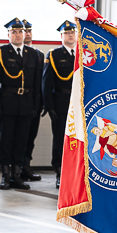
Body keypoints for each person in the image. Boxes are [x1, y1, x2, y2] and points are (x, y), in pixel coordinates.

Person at [0, 18, 42, 190]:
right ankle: (5, 176)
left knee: (21, 141)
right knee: (6, 141)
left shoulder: (32, 54)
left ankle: (17, 175)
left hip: (26, 104)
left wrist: (36, 106)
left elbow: (36, 84)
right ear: (8, 34)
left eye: (21, 32)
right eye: (14, 32)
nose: (18, 35)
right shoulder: (1, 52)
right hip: (8, 104)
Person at [42, 21, 77, 189]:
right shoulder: (54, 55)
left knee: (77, 141)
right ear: (61, 36)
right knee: (60, 141)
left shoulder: (83, 54)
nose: (70, 35)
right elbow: (46, 83)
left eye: (72, 32)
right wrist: (49, 106)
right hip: (61, 104)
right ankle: (59, 172)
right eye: (67, 33)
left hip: (79, 105)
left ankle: (75, 173)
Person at [20, 19, 44, 182]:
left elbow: (41, 82)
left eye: (29, 31)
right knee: (17, 137)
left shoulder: (39, 55)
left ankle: (26, 166)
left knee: (30, 137)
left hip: (34, 103)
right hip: (17, 104)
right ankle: (15, 169)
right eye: (24, 31)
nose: (27, 34)